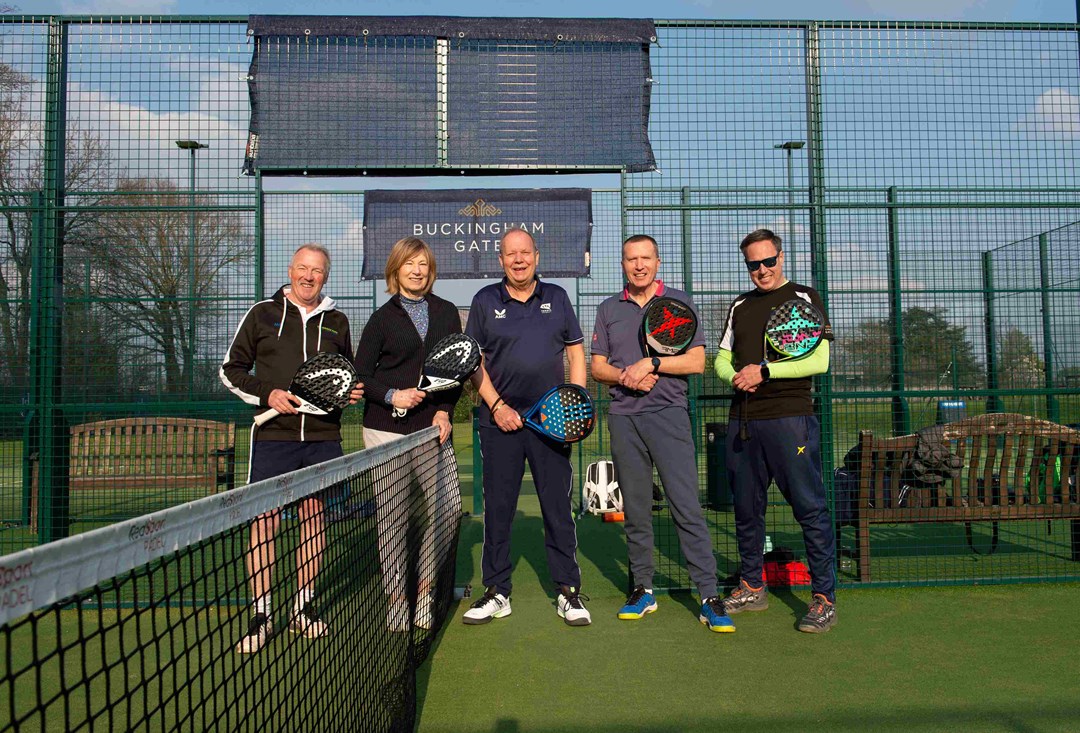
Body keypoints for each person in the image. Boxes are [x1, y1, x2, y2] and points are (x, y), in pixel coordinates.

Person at [220, 243, 364, 653]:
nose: (308, 276)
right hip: (273, 437)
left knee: (314, 519)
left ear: (326, 276)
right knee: (265, 521)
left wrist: (351, 392)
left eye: (317, 270)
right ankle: (261, 613)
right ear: (290, 270)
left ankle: (303, 608)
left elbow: (344, 375)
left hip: (322, 441)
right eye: (302, 268)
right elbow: (230, 370)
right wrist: (268, 394)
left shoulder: (337, 320)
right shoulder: (262, 314)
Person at [590, 234, 733, 633]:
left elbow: (697, 362)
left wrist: (651, 363)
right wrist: (625, 375)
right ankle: (643, 589)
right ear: (622, 264)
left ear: (658, 262)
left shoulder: (679, 303)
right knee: (635, 510)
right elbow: (597, 366)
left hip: (668, 415)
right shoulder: (607, 309)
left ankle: (708, 595)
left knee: (686, 507)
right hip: (623, 418)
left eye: (646, 258)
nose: (639, 265)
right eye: (631, 259)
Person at [461, 228, 591, 627]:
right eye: (509, 254)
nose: (518, 260)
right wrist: (497, 406)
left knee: (557, 508)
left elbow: (576, 352)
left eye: (525, 253)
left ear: (537, 256)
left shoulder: (557, 297)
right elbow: (472, 362)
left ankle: (568, 592)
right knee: (498, 510)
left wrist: (573, 403)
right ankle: (497, 591)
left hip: (551, 424)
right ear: (500, 260)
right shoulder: (484, 301)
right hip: (498, 422)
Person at [714, 228, 837, 633]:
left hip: (790, 421)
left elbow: (820, 360)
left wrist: (765, 371)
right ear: (746, 264)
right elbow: (719, 359)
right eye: (754, 264)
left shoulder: (803, 298)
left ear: (781, 257)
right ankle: (752, 585)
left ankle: (823, 598)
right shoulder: (739, 305)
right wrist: (735, 377)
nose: (762, 270)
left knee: (810, 508)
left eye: (768, 261)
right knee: (747, 510)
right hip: (743, 422)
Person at [354, 236, 464, 632]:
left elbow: (454, 371)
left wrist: (444, 411)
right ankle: (398, 599)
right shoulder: (382, 318)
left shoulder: (448, 312)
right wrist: (391, 394)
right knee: (392, 518)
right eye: (409, 264)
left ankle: (426, 591)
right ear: (395, 270)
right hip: (385, 430)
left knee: (448, 510)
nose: (417, 271)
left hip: (431, 432)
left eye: (423, 264)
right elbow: (361, 376)